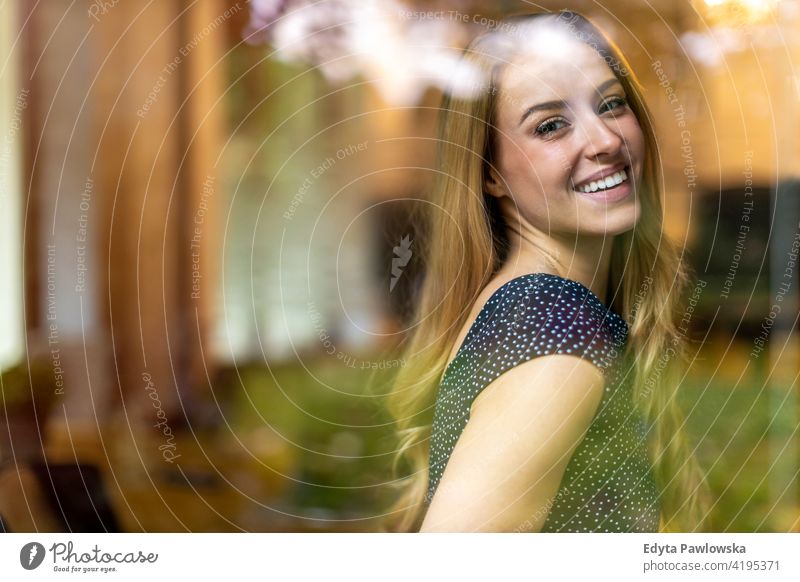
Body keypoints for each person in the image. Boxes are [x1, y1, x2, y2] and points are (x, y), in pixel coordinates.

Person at [383, 10, 709, 532]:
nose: (605, 139)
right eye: (551, 125)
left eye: (611, 104)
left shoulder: (530, 307)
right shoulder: (554, 334)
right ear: (490, 174)